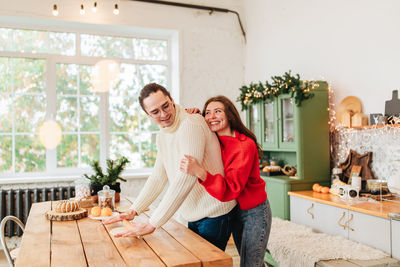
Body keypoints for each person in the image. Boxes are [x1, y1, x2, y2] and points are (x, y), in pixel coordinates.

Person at [103, 83, 236, 251]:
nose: (164, 114)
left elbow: (187, 176)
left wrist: (153, 222)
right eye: (155, 112)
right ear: (148, 115)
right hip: (193, 213)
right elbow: (158, 176)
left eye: (165, 106)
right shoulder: (163, 135)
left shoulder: (190, 123)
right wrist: (134, 210)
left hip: (215, 212)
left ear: (172, 100)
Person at [180, 95, 272, 267]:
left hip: (253, 210)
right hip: (234, 208)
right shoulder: (214, 140)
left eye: (218, 111)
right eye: (208, 113)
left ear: (229, 115)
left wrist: (200, 172)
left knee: (251, 264)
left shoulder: (244, 145)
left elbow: (231, 188)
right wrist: (194, 116)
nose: (212, 116)